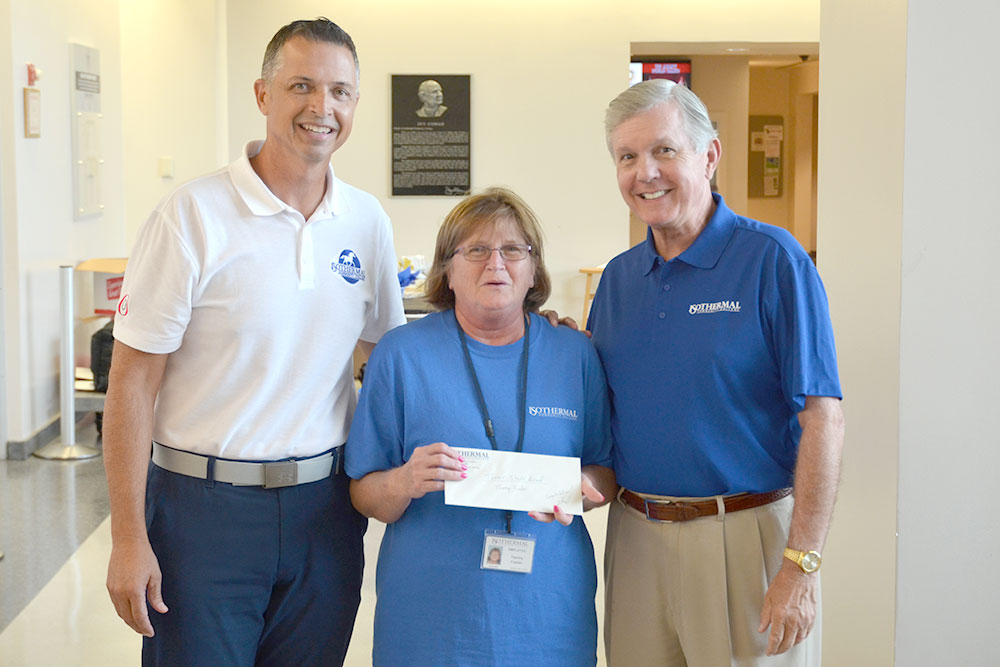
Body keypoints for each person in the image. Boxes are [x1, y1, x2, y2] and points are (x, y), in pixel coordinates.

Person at [102, 18, 405, 666]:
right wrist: (127, 535)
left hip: (324, 511)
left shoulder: (365, 221)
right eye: (302, 85)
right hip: (201, 512)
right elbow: (132, 381)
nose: (322, 108)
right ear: (264, 94)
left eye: (340, 91)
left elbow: (388, 358)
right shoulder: (191, 216)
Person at [590, 79, 844, 666]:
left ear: (710, 155)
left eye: (664, 150)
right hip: (635, 539)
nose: (644, 172)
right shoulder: (619, 279)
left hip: (745, 538)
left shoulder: (772, 260)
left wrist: (801, 564)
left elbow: (823, 420)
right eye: (627, 157)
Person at [347, 187, 616, 666]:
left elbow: (606, 472)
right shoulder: (400, 356)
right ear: (446, 270)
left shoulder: (575, 354)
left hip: (547, 614)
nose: (496, 264)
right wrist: (404, 480)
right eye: (475, 250)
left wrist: (580, 488)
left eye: (513, 250)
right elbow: (365, 495)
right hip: (431, 621)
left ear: (534, 269)